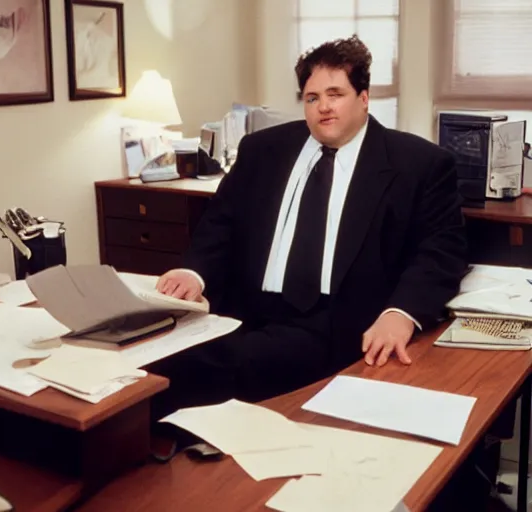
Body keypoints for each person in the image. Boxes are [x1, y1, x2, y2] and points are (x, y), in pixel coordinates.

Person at [149, 35, 468, 418]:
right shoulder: (262, 150)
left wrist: (400, 313)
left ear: (363, 98)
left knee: (191, 373)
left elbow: (440, 251)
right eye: (312, 98)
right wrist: (193, 271)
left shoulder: (419, 164)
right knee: (151, 352)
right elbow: (221, 221)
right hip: (242, 309)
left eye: (336, 94)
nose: (323, 107)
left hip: (332, 321)